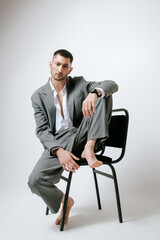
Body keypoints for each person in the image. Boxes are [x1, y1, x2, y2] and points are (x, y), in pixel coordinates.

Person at [28, 49, 118, 226]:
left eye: (65, 66)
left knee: (102, 94)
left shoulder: (79, 83)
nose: (60, 69)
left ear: (70, 69)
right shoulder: (38, 96)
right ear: (50, 64)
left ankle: (89, 148)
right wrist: (59, 151)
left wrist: (93, 93)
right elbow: (42, 130)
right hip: (58, 143)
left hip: (83, 134)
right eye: (57, 64)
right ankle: (66, 201)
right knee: (35, 180)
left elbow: (112, 84)